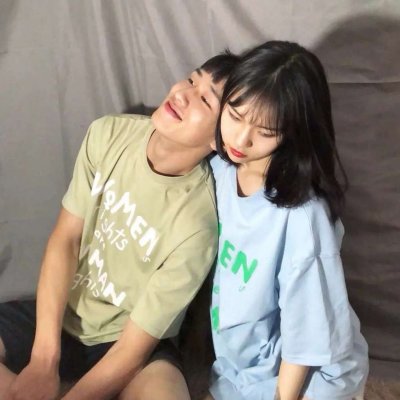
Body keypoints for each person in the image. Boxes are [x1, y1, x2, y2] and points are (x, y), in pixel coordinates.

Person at [0, 51, 239, 400]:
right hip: (61, 315)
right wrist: (43, 361)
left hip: (125, 341)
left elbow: (133, 349)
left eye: (205, 99)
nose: (182, 94)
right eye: (191, 79)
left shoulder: (198, 225)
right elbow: (66, 240)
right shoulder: (108, 133)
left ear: (221, 139)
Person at [204, 41, 369, 400]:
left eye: (265, 132)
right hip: (241, 366)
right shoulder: (219, 170)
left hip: (306, 377)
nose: (241, 139)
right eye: (234, 115)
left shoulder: (302, 217)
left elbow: (306, 332)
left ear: (293, 132)